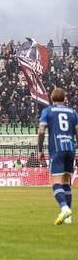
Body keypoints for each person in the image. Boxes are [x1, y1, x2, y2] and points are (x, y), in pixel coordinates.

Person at [37, 88, 78, 225]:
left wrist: (40, 150)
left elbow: (41, 131)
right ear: (64, 99)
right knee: (66, 182)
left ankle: (64, 208)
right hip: (70, 149)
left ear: (51, 98)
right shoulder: (73, 112)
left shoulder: (47, 111)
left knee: (55, 182)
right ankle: (68, 217)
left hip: (57, 149)